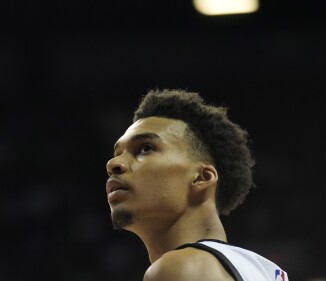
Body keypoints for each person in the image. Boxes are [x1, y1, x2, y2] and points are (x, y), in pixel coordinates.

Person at [105, 89, 289, 281]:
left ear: (202, 178)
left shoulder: (178, 269)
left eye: (145, 148)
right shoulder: (265, 270)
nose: (113, 164)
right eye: (117, 153)